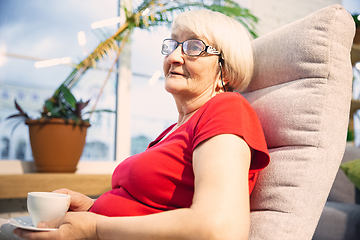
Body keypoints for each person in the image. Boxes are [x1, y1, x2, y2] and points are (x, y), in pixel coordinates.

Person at [14, 9, 270, 240]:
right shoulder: (172, 131)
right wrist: (92, 207)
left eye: (193, 47)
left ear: (224, 72)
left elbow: (220, 228)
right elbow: (148, 205)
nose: (175, 57)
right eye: (173, 45)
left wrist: (94, 228)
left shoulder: (227, 109)